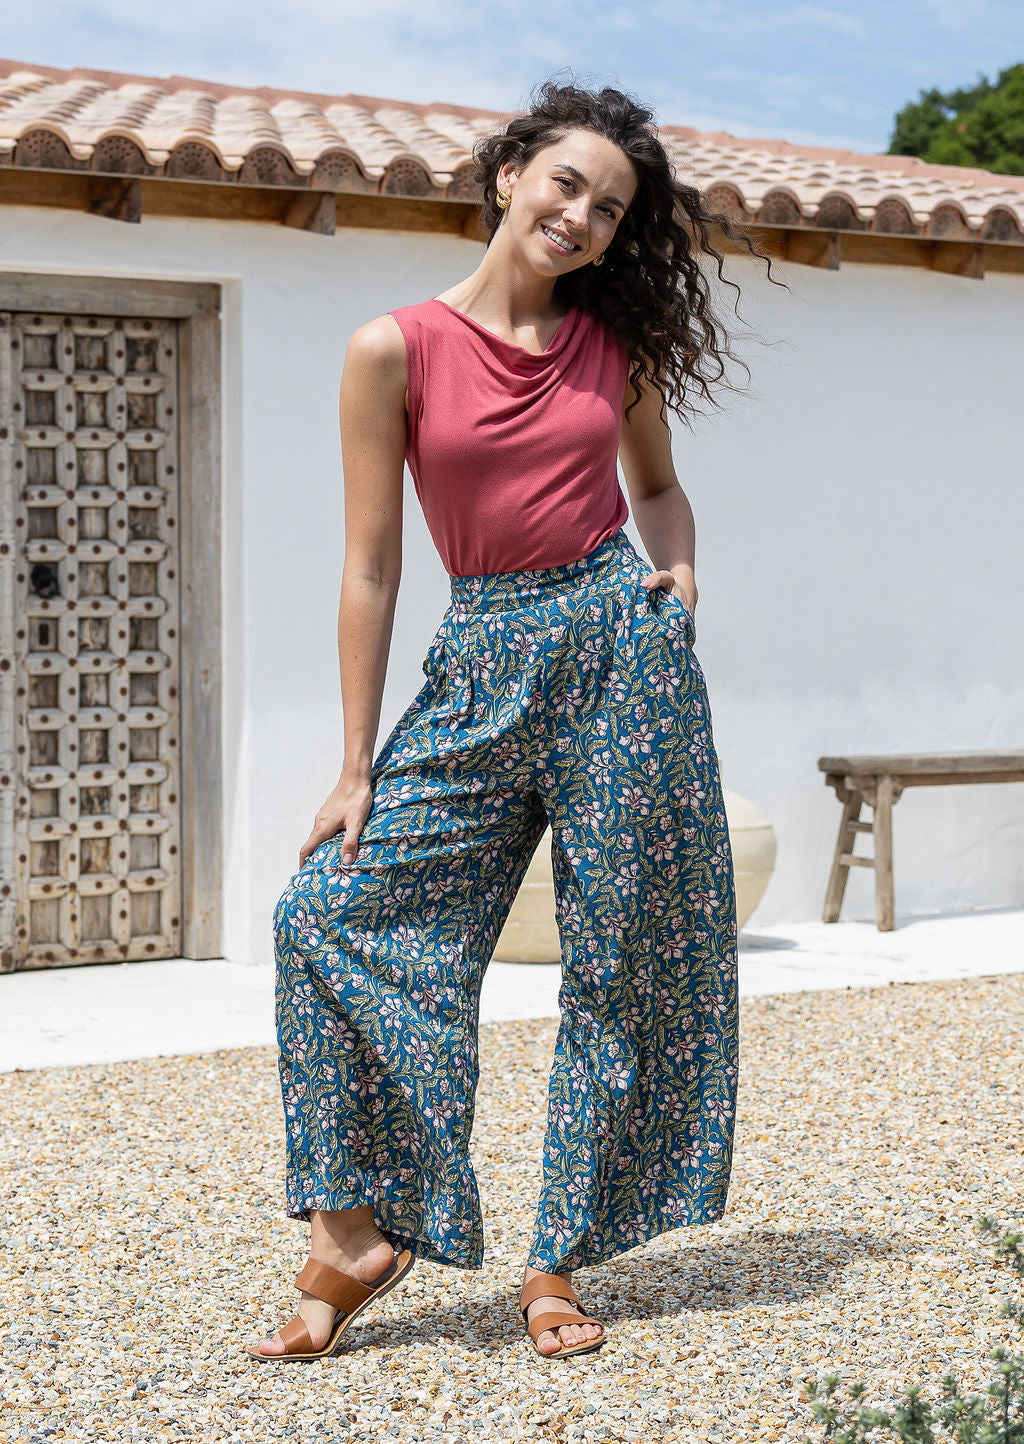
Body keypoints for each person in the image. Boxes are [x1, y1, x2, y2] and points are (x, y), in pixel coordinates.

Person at [250, 77, 780, 1364]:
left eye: (608, 209)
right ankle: (357, 1235)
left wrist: (681, 573)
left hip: (619, 654)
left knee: (626, 962)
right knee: (324, 912)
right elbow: (371, 567)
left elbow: (658, 492)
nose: (583, 217)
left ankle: (558, 1257)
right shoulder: (393, 349)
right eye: (566, 185)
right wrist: (353, 762)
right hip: (481, 653)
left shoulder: (618, 345)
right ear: (507, 176)